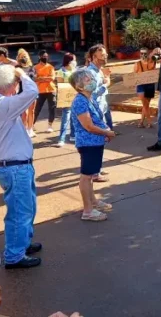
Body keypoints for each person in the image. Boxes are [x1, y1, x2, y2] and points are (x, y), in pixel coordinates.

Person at [0, 65, 42, 270]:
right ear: (13, 84)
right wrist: (22, 74)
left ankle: (22, 243)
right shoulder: (3, 104)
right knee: (20, 212)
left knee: (26, 208)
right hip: (15, 168)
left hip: (14, 166)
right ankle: (15, 255)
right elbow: (33, 92)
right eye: (16, 82)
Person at [69, 67, 116, 222]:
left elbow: (97, 119)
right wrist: (106, 132)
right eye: (87, 80)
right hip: (88, 143)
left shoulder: (89, 98)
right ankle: (88, 210)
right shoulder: (80, 101)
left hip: (94, 142)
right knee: (86, 176)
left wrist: (105, 129)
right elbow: (88, 125)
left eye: (91, 78)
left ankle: (93, 202)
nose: (92, 81)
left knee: (89, 176)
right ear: (79, 85)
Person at [86, 44, 114, 134]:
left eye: (106, 55)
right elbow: (91, 94)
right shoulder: (90, 72)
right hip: (95, 111)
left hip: (102, 107)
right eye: (102, 56)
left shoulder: (99, 70)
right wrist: (106, 84)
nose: (105, 57)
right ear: (94, 57)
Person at [55, 53, 78, 147]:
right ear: (69, 61)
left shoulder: (75, 71)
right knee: (65, 118)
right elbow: (60, 86)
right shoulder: (61, 72)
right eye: (74, 60)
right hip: (67, 98)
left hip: (76, 97)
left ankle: (73, 135)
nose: (75, 62)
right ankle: (61, 139)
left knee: (74, 117)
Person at [33, 50, 57, 133]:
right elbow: (34, 78)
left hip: (51, 89)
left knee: (52, 108)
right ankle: (31, 125)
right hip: (40, 90)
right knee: (37, 109)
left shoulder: (50, 67)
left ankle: (50, 125)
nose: (45, 58)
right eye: (44, 56)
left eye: (47, 56)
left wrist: (41, 78)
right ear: (40, 57)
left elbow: (52, 78)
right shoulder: (35, 67)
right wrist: (46, 78)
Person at [16, 49, 37, 137]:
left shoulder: (32, 67)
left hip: (31, 91)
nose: (23, 58)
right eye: (21, 56)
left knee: (31, 111)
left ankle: (30, 128)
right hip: (22, 91)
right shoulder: (17, 68)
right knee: (24, 112)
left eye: (25, 56)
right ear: (18, 58)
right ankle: (24, 129)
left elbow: (34, 77)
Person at [134, 47, 156, 129]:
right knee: (145, 104)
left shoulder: (152, 62)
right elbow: (134, 76)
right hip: (141, 85)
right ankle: (150, 122)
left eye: (145, 53)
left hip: (150, 85)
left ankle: (141, 122)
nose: (143, 55)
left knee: (146, 104)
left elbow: (153, 72)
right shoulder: (137, 64)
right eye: (141, 53)